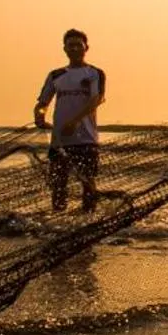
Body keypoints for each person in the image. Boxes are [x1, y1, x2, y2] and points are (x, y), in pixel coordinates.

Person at [34, 29, 106, 210]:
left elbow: (96, 100)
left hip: (86, 139)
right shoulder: (55, 75)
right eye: (70, 45)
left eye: (78, 45)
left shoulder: (94, 73)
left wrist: (74, 122)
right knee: (58, 184)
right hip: (59, 140)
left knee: (88, 182)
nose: (74, 48)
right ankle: (58, 219)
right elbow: (43, 102)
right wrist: (40, 115)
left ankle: (88, 218)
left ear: (86, 48)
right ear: (64, 49)